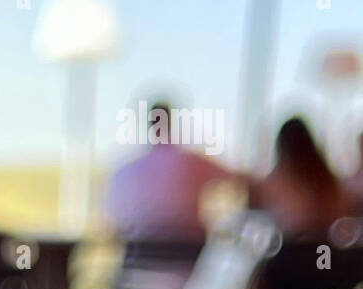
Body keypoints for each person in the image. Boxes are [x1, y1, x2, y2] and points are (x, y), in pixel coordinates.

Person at [103, 101, 235, 242]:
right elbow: (237, 179)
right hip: (187, 251)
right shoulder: (193, 162)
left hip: (139, 250)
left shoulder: (127, 171)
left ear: (150, 123)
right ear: (171, 121)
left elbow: (115, 222)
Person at [251, 117, 350, 237]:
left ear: (282, 146)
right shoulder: (326, 178)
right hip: (327, 246)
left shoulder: (280, 180)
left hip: (292, 245)